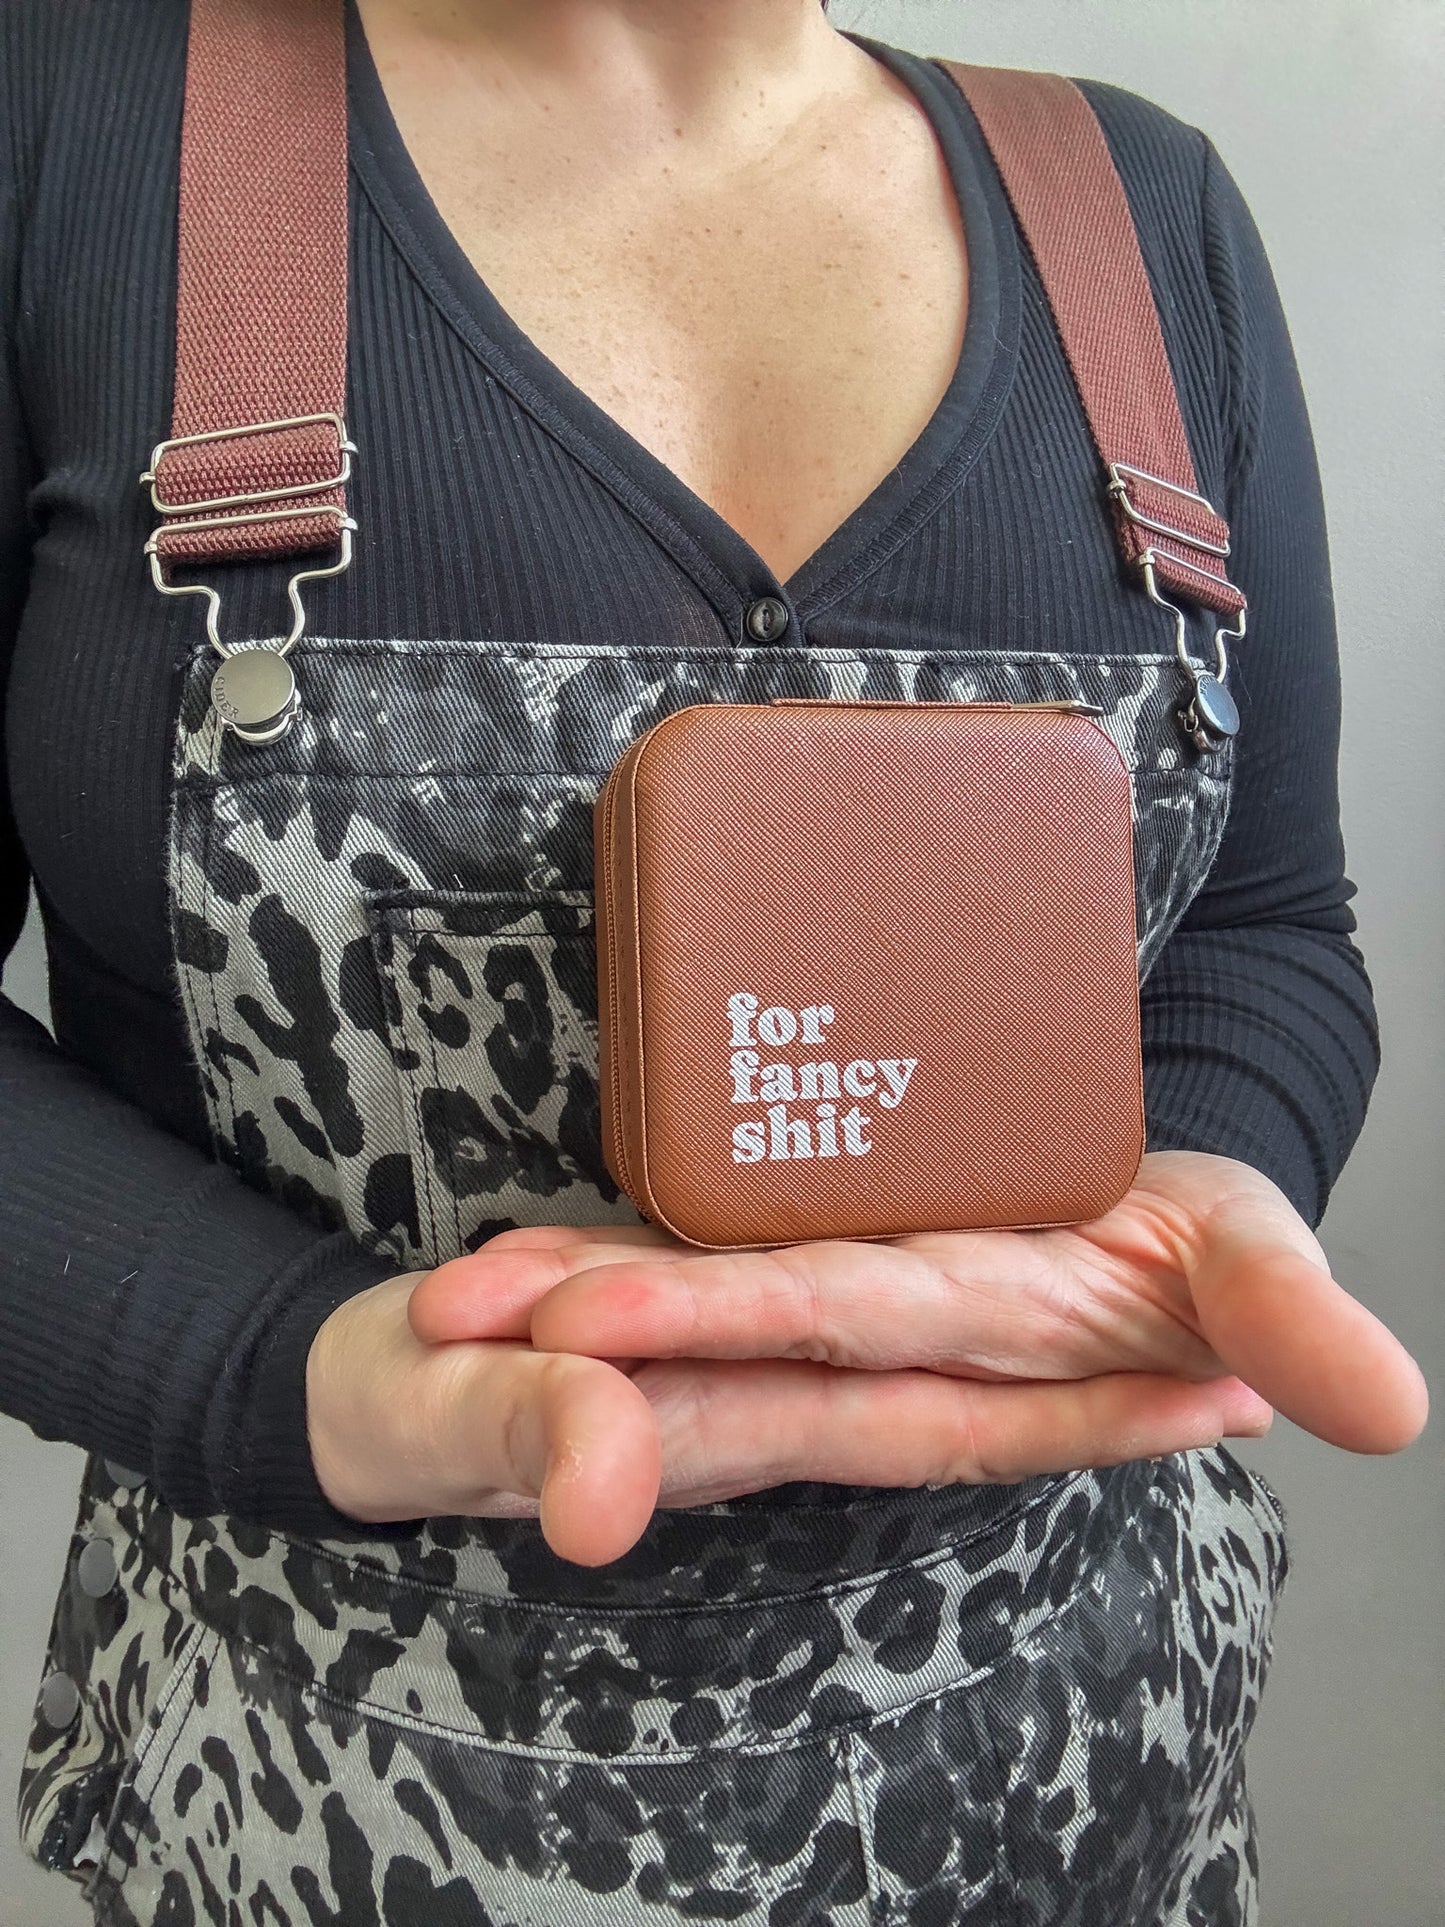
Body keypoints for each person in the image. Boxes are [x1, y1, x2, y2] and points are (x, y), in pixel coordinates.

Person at [0, 0, 1427, 1921]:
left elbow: (1262, 925)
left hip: (1087, 1766)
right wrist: (288, 1373)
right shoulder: (66, 132)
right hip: (320, 1809)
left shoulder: (1143, 212)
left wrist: (1204, 1174)